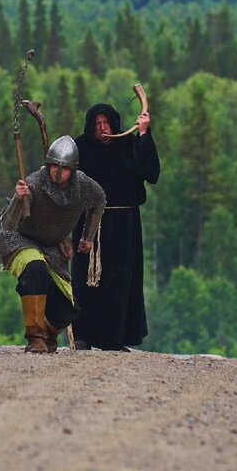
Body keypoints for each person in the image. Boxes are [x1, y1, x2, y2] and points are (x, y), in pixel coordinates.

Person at [0, 135, 106, 353]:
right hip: (22, 241)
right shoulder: (35, 183)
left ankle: (48, 335)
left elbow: (100, 199)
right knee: (35, 269)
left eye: (64, 168)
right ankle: (35, 338)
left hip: (53, 247)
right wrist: (19, 200)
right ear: (48, 165)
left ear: (72, 170)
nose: (57, 172)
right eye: (54, 166)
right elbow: (8, 223)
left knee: (65, 310)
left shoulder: (82, 185)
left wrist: (88, 236)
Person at [69, 102, 159, 351]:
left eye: (106, 123)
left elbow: (150, 173)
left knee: (119, 281)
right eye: (97, 124)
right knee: (85, 281)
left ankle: (115, 339)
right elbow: (64, 180)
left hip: (123, 224)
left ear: (114, 123)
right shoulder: (80, 147)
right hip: (88, 224)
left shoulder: (128, 145)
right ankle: (83, 335)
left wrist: (143, 134)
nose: (102, 128)